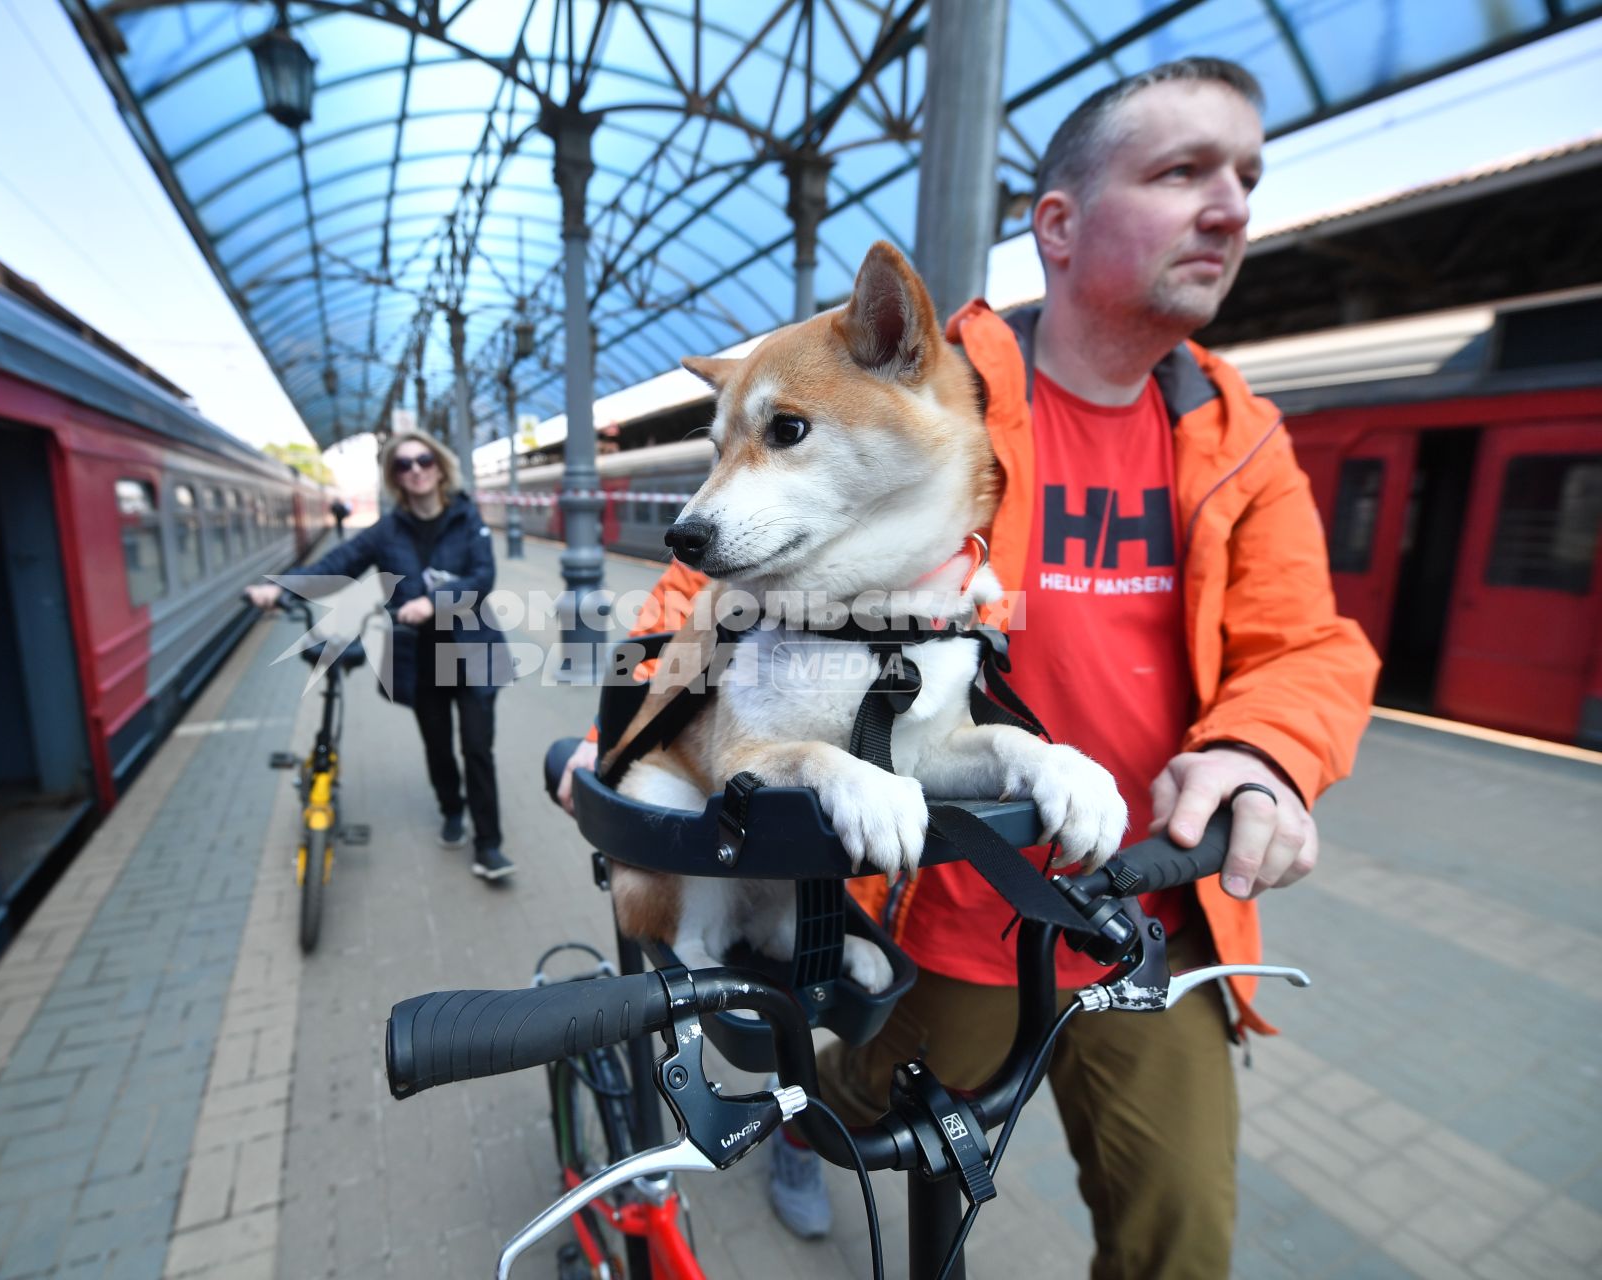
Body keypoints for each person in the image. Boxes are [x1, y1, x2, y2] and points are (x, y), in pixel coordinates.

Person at [553, 58, 1379, 1278]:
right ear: (1057, 222)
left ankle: (805, 1101)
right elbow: (717, 590)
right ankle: (803, 1107)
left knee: (1182, 1239)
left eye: (1247, 175)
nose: (1232, 207)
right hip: (945, 896)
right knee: (859, 1119)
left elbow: (1304, 638)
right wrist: (625, 719)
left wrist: (1266, 755)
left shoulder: (1240, 431)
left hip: (1154, 899)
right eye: (1182, 171)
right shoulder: (933, 384)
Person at [251, 431, 515, 881]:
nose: (415, 469)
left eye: (423, 459)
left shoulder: (468, 516)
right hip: (421, 658)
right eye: (403, 464)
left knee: (476, 749)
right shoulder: (387, 531)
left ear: (439, 465)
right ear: (394, 476)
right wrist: (281, 586)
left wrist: (435, 602)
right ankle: (452, 809)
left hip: (474, 650)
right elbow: (337, 564)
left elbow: (482, 576)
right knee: (437, 745)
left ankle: (488, 845)